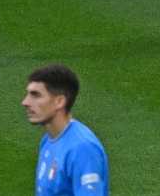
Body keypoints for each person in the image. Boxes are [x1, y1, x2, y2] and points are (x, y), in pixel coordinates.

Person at [23, 64, 108, 195]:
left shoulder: (82, 148)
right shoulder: (48, 140)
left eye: (36, 95)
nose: (25, 102)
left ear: (59, 101)